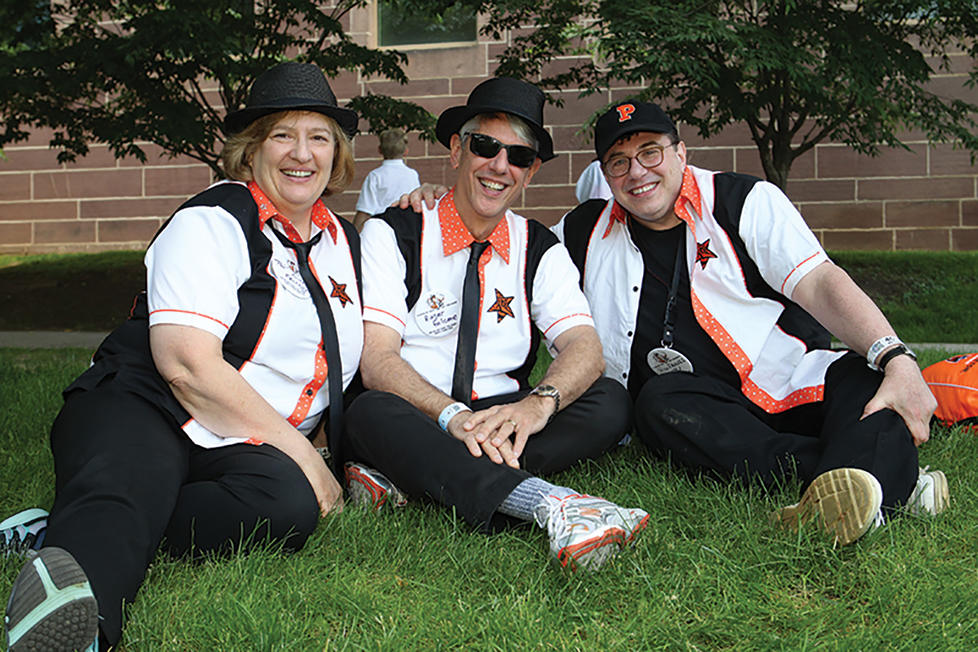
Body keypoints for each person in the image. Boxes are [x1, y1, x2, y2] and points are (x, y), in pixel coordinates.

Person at [2, 62, 364, 651]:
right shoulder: (211, 221)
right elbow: (187, 365)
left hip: (235, 436)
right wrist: (304, 451)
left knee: (287, 507)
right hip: (145, 402)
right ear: (251, 151)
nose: (303, 154)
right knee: (134, 474)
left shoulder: (344, 241)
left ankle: (62, 524)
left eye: (319, 137)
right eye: (283, 135)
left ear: (337, 154)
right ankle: (78, 626)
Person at [554, 100, 948, 546]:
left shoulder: (744, 200)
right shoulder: (579, 233)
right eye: (619, 162)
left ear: (681, 153)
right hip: (701, 406)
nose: (637, 172)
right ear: (605, 176)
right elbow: (529, 280)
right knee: (657, 403)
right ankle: (880, 482)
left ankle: (856, 490)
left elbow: (818, 281)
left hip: (791, 380)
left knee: (867, 377)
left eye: (651, 152)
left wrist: (896, 358)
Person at [343, 77, 648, 572]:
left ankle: (418, 477)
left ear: (530, 174)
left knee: (610, 401)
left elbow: (585, 349)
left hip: (504, 414)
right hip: (420, 409)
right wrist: (450, 417)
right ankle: (555, 505)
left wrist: (536, 406)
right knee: (368, 413)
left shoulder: (540, 246)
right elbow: (377, 360)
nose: (500, 166)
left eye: (519, 157)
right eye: (486, 146)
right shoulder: (392, 231)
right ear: (457, 151)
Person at [353, 128, 421, 231]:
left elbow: (365, 210)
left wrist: (353, 235)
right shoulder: (412, 175)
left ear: (379, 150)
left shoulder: (375, 176)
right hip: (407, 229)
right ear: (406, 151)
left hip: (381, 229)